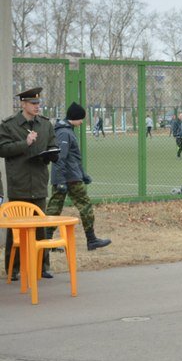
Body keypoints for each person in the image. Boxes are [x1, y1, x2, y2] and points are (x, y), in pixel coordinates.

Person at [0, 87, 58, 280]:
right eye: (33, 104)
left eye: (38, 103)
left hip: (39, 181)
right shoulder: (9, 125)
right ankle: (13, 269)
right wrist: (25, 143)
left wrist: (52, 154)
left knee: (40, 226)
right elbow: (3, 149)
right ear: (23, 104)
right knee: (16, 230)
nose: (37, 107)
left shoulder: (45, 124)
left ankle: (42, 266)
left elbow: (52, 144)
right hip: (20, 183)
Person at [45, 102, 111, 251]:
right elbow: (60, 157)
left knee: (54, 209)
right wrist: (62, 181)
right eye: (81, 119)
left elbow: (73, 158)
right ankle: (91, 239)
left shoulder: (65, 130)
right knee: (84, 206)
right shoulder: (65, 133)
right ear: (75, 117)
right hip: (69, 178)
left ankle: (46, 241)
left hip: (69, 176)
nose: (82, 122)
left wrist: (83, 175)